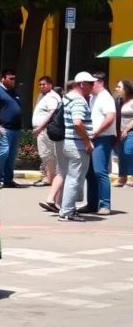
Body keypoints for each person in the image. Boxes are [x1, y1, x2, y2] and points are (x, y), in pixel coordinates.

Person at [55, 74, 95, 221]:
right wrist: (87, 142)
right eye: (90, 83)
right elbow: (77, 123)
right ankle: (67, 212)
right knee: (75, 178)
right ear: (81, 84)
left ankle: (66, 209)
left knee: (70, 177)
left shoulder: (67, 97)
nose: (92, 86)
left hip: (67, 142)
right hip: (77, 144)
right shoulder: (78, 100)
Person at [83, 72, 116, 215]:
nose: (90, 85)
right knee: (90, 173)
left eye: (92, 83)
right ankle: (91, 204)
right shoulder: (93, 97)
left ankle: (105, 204)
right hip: (94, 137)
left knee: (100, 171)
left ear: (101, 82)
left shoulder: (105, 98)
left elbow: (110, 118)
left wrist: (96, 133)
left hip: (103, 137)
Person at [0, 70, 22, 188]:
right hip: (4, 128)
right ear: (3, 79)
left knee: (11, 156)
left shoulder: (13, 93)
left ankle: (8, 179)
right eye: (10, 78)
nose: (13, 81)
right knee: (3, 152)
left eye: (14, 79)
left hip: (15, 129)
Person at [31, 76, 61, 187]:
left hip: (45, 129)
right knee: (46, 154)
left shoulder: (51, 97)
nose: (41, 86)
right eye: (40, 84)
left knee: (47, 154)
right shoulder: (44, 96)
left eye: (44, 84)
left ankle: (49, 178)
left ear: (50, 85)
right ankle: (48, 176)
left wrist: (40, 127)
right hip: (42, 130)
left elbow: (51, 112)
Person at [115, 80, 133, 186]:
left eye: (119, 87)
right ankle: (122, 177)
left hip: (130, 131)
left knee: (129, 153)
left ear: (126, 89)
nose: (117, 89)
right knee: (121, 154)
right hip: (120, 132)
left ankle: (131, 176)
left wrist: (126, 130)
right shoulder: (120, 101)